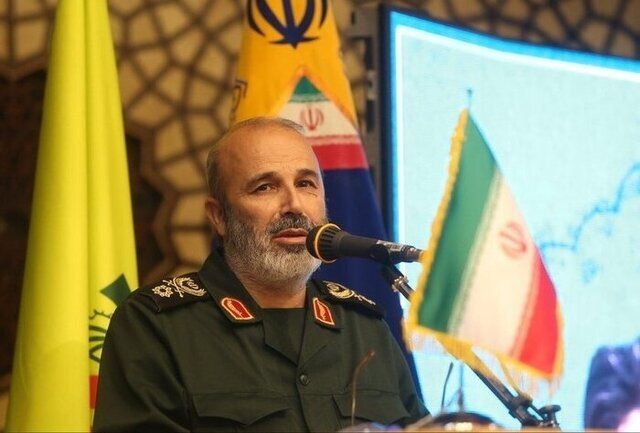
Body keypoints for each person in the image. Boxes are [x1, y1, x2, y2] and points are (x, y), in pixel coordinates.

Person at [93, 117, 428, 432]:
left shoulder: (364, 327)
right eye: (265, 187)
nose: (294, 205)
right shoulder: (156, 325)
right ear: (219, 216)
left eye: (306, 183)